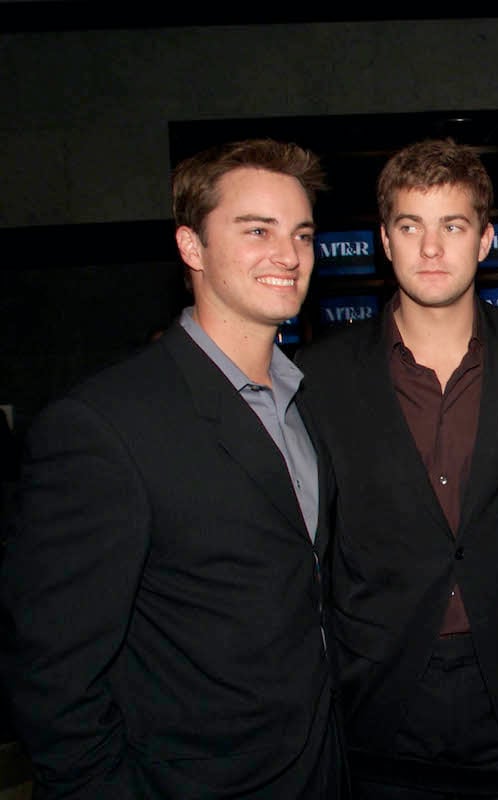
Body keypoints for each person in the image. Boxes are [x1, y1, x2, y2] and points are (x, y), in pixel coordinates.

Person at [0, 139, 343, 797]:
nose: (289, 254)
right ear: (192, 248)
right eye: (257, 230)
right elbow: (52, 681)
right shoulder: (103, 427)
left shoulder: (303, 401)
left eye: (302, 233)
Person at [296, 138, 498, 798]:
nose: (431, 249)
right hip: (377, 698)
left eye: (452, 226)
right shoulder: (318, 379)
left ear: (485, 240)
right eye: (411, 226)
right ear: (384, 240)